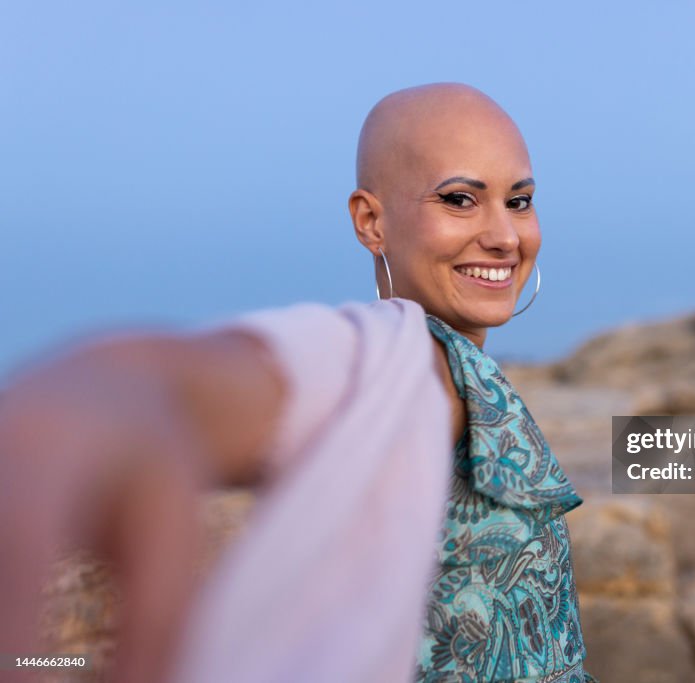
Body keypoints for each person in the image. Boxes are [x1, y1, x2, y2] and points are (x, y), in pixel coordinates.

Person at [0, 83, 594, 683]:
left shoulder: (468, 377)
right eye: (460, 199)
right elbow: (226, 378)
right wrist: (103, 390)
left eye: (519, 201)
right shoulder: (403, 364)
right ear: (371, 221)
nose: (505, 236)